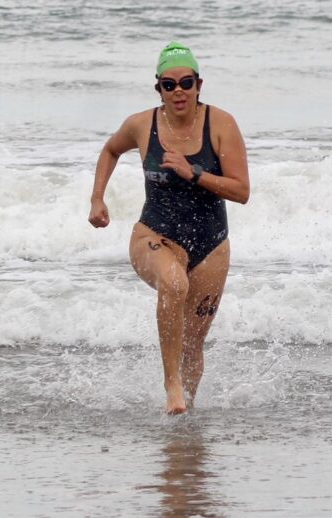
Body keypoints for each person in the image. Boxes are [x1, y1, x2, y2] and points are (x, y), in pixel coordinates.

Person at [88, 42, 250, 414]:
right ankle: (171, 385)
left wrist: (194, 173)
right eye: (169, 84)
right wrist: (97, 198)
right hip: (154, 235)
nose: (178, 91)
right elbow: (111, 149)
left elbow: (241, 191)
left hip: (211, 246)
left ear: (199, 84)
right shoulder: (141, 125)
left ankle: (185, 416)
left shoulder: (221, 124)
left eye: (186, 82)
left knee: (193, 344)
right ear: (158, 88)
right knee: (174, 284)